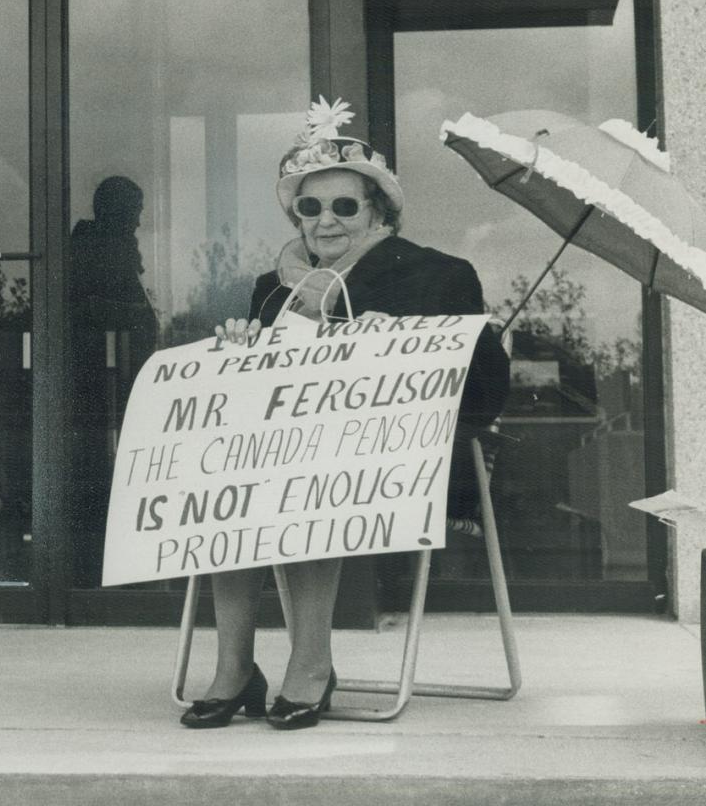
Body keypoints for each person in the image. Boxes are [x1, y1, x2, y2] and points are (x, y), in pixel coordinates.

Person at [181, 97, 508, 730]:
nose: (325, 221)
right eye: (310, 207)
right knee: (220, 473)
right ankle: (234, 667)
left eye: (344, 206)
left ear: (379, 211)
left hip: (397, 456)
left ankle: (309, 665)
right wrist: (239, 354)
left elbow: (487, 392)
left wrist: (404, 344)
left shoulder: (437, 276)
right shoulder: (272, 290)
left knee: (297, 474)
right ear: (296, 217)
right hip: (285, 454)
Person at [69, 176, 159, 585]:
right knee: (97, 450)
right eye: (135, 212)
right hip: (96, 368)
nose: (139, 222)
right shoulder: (96, 246)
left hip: (119, 367)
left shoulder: (117, 246)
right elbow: (95, 305)